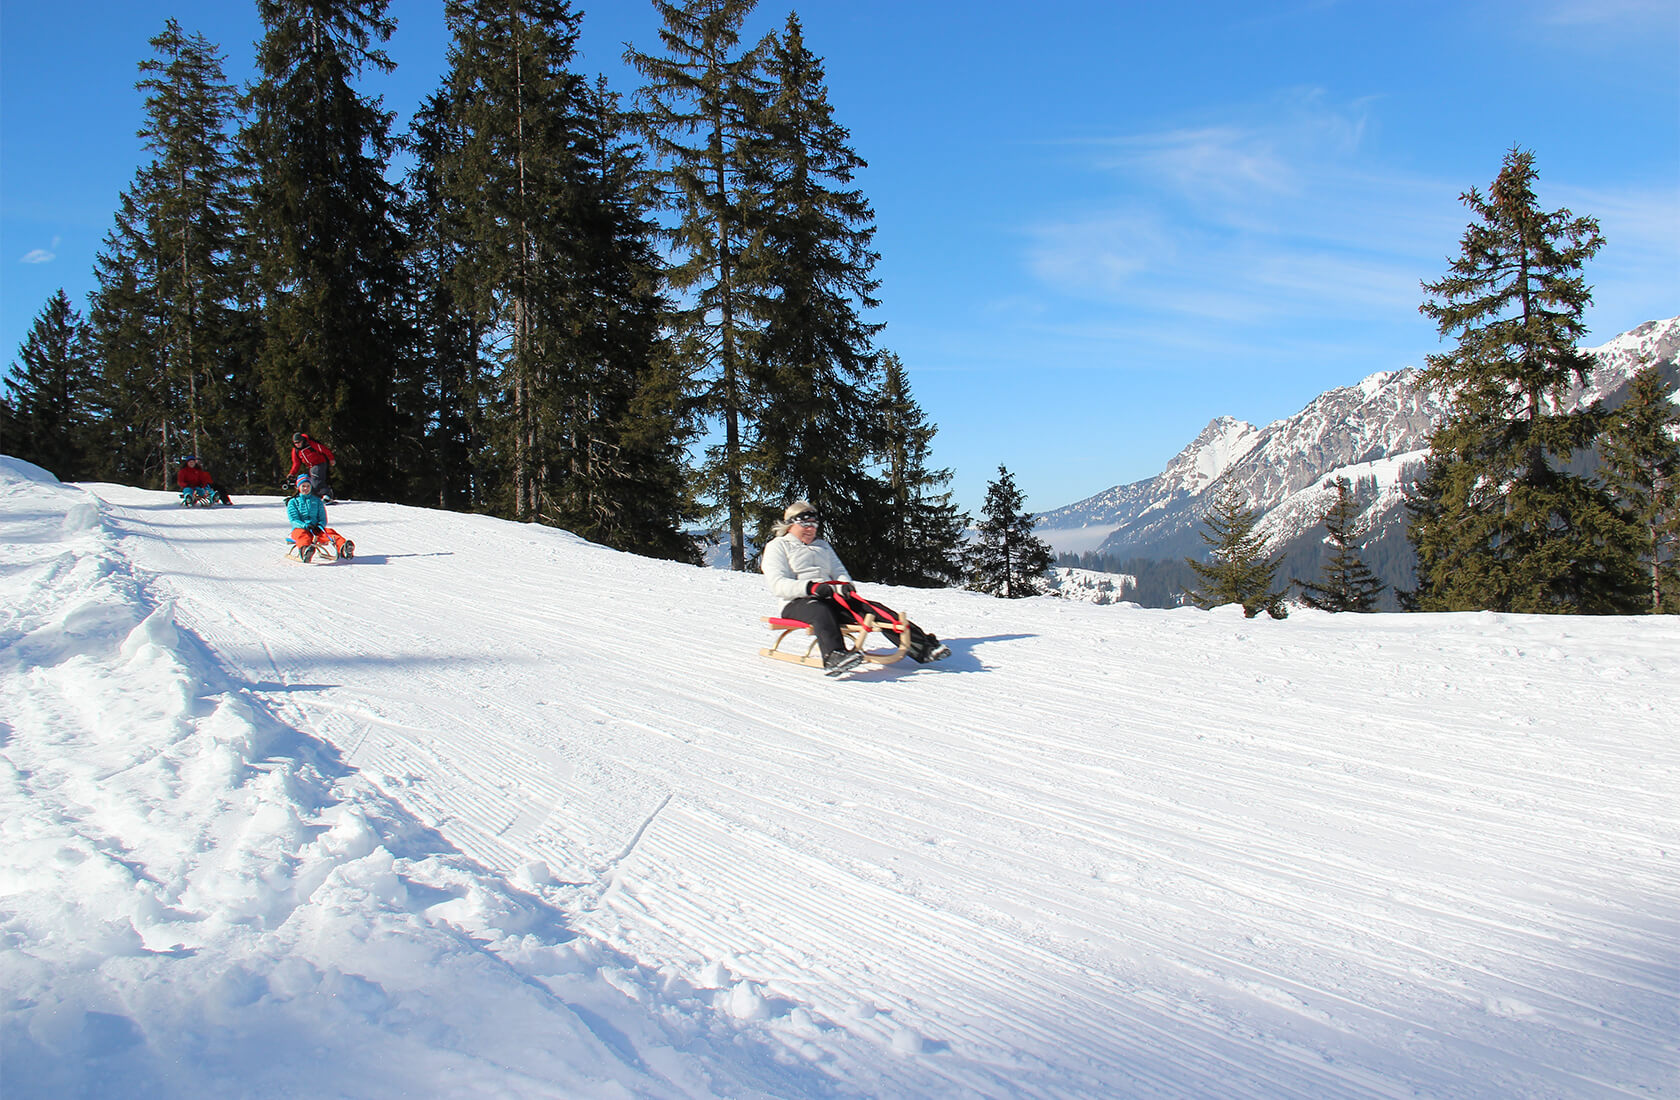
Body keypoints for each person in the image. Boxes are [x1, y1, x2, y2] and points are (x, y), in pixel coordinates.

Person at [761, 499, 950, 675]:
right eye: (805, 524)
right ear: (790, 524)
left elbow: (839, 571)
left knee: (874, 609)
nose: (811, 529)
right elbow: (778, 584)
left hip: (831, 597)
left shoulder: (823, 546)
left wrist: (845, 586)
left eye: (814, 524)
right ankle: (834, 655)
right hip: (797, 603)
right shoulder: (778, 546)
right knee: (821, 611)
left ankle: (922, 647)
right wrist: (811, 588)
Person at [286, 474, 354, 563]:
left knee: (330, 532)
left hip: (316, 528)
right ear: (298, 487)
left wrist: (320, 525)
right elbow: (293, 520)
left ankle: (343, 548)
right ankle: (306, 551)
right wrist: (304, 525)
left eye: (308, 486)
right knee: (302, 536)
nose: (306, 488)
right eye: (303, 486)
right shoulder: (293, 502)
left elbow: (323, 517)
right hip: (301, 528)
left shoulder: (317, 501)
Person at [288, 431, 336, 502]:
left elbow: (324, 450)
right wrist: (292, 473)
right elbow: (296, 463)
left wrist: (331, 459)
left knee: (316, 481)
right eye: (295, 443)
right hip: (311, 466)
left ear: (302, 441)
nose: (297, 444)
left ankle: (327, 495)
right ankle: (317, 497)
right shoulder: (295, 451)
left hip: (320, 463)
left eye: (299, 442)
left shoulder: (310, 444)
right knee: (309, 482)